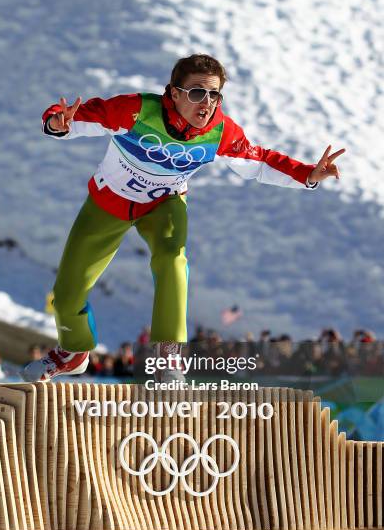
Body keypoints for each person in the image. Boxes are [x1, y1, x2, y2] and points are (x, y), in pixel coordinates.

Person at [22, 54, 345, 382]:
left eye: (214, 95)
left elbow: (259, 162)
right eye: (196, 93)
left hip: (164, 204)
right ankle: (74, 351)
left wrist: (308, 173)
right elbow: (81, 117)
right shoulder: (136, 110)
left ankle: (168, 358)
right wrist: (57, 123)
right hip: (109, 203)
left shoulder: (220, 131)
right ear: (173, 94)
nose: (206, 103)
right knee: (66, 293)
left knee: (172, 259)